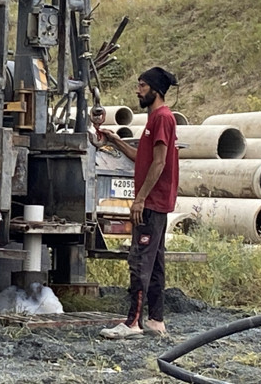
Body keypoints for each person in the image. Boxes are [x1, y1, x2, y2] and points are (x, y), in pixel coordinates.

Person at [99, 67, 179, 340]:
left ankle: (133, 323)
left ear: (156, 90)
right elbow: (142, 158)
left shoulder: (163, 118)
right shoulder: (154, 118)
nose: (138, 90)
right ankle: (156, 322)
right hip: (156, 202)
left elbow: (159, 163)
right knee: (155, 263)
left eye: (142, 86)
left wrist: (140, 199)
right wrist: (115, 141)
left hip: (152, 203)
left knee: (140, 262)